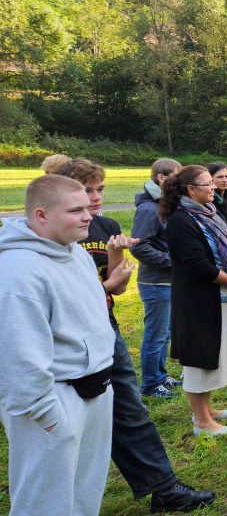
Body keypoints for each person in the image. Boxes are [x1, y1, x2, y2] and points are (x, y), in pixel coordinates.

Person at [56, 158, 217, 513]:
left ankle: (163, 488)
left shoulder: (102, 226)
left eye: (99, 189)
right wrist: (106, 288)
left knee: (129, 407)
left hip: (104, 327)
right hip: (64, 343)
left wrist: (114, 263)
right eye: (87, 191)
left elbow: (115, 286)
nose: (96, 198)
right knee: (70, 424)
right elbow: (59, 299)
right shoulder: (46, 239)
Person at [0, 174, 116, 516]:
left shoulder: (75, 253)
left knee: (83, 492)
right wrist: (49, 416)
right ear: (41, 215)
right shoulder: (17, 273)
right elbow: (17, 356)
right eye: (75, 210)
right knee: (44, 503)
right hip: (54, 403)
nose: (88, 216)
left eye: (87, 207)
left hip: (95, 390)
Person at [162, 165, 227, 437]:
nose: (214, 187)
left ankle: (208, 410)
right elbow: (199, 266)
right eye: (207, 184)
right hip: (198, 299)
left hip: (219, 296)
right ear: (190, 189)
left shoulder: (207, 212)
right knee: (198, 359)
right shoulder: (181, 221)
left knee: (213, 355)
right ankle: (201, 420)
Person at [132, 158, 183, 399]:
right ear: (161, 178)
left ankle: (160, 376)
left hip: (168, 281)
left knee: (165, 334)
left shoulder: (164, 204)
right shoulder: (148, 209)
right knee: (156, 334)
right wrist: (172, 261)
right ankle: (151, 383)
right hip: (155, 282)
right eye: (176, 176)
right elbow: (139, 247)